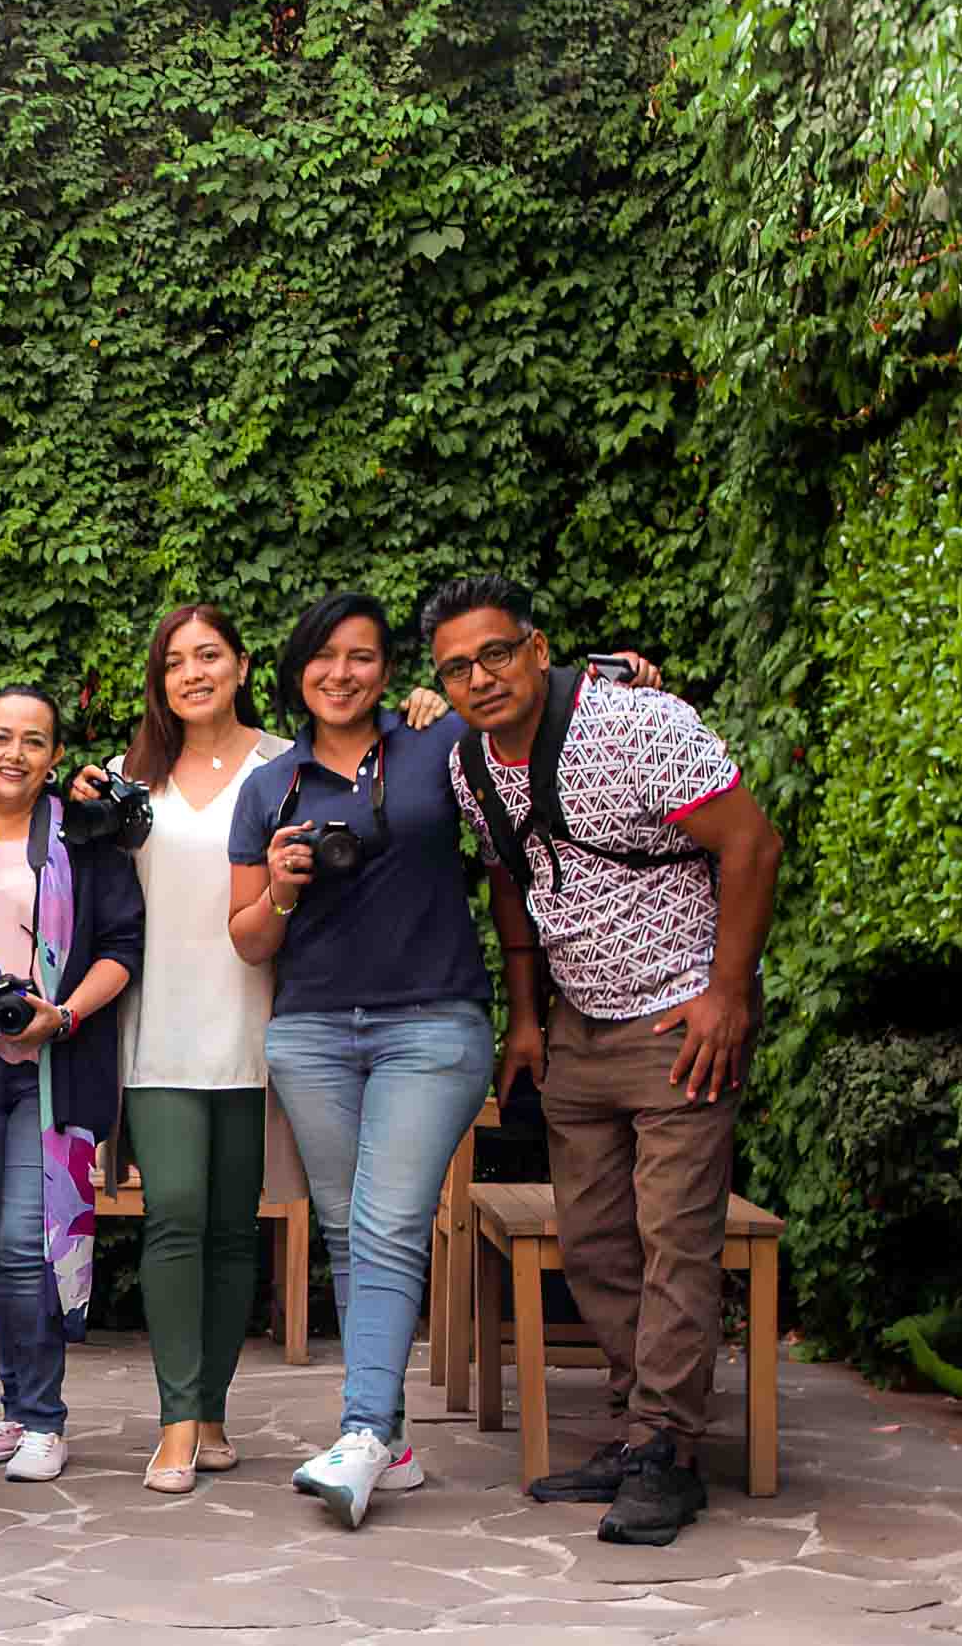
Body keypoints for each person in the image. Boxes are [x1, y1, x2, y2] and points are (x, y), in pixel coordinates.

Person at [228, 590, 655, 1530]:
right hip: (310, 1031)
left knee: (384, 1223)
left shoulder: (441, 743)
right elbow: (249, 939)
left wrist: (621, 676)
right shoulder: (271, 788)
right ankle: (393, 1443)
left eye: (362, 656)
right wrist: (284, 889)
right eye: (323, 657)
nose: (341, 673)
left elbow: (532, 731)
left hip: (433, 1023)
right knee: (350, 1231)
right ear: (296, 672)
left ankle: (361, 1433)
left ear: (390, 670)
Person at [423, 575, 781, 1547]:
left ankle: (666, 1449)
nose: (479, 678)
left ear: (538, 649)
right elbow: (510, 879)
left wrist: (726, 996)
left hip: (680, 1018)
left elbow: (751, 845)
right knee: (592, 1242)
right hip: (577, 1023)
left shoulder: (637, 725)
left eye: (496, 653)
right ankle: (641, 1427)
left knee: (675, 1239)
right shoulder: (468, 764)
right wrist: (526, 1018)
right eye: (456, 667)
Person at [69, 606, 306, 1491]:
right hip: (158, 1023)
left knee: (234, 1228)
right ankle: (175, 1421)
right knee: (172, 1211)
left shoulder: (289, 766)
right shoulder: (130, 776)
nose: (193, 673)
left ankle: (211, 1410)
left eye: (208, 656)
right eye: (175, 662)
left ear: (241, 664)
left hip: (257, 1022)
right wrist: (81, 809)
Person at [0, 686, 143, 1484]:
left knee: (29, 1243)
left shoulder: (83, 835)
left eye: (32, 740)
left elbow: (122, 945)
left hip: (54, 1062)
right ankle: (18, 1410)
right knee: (0, 1243)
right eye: (0, 737)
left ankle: (45, 1418)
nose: (14, 753)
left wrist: (66, 1014)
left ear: (55, 755)